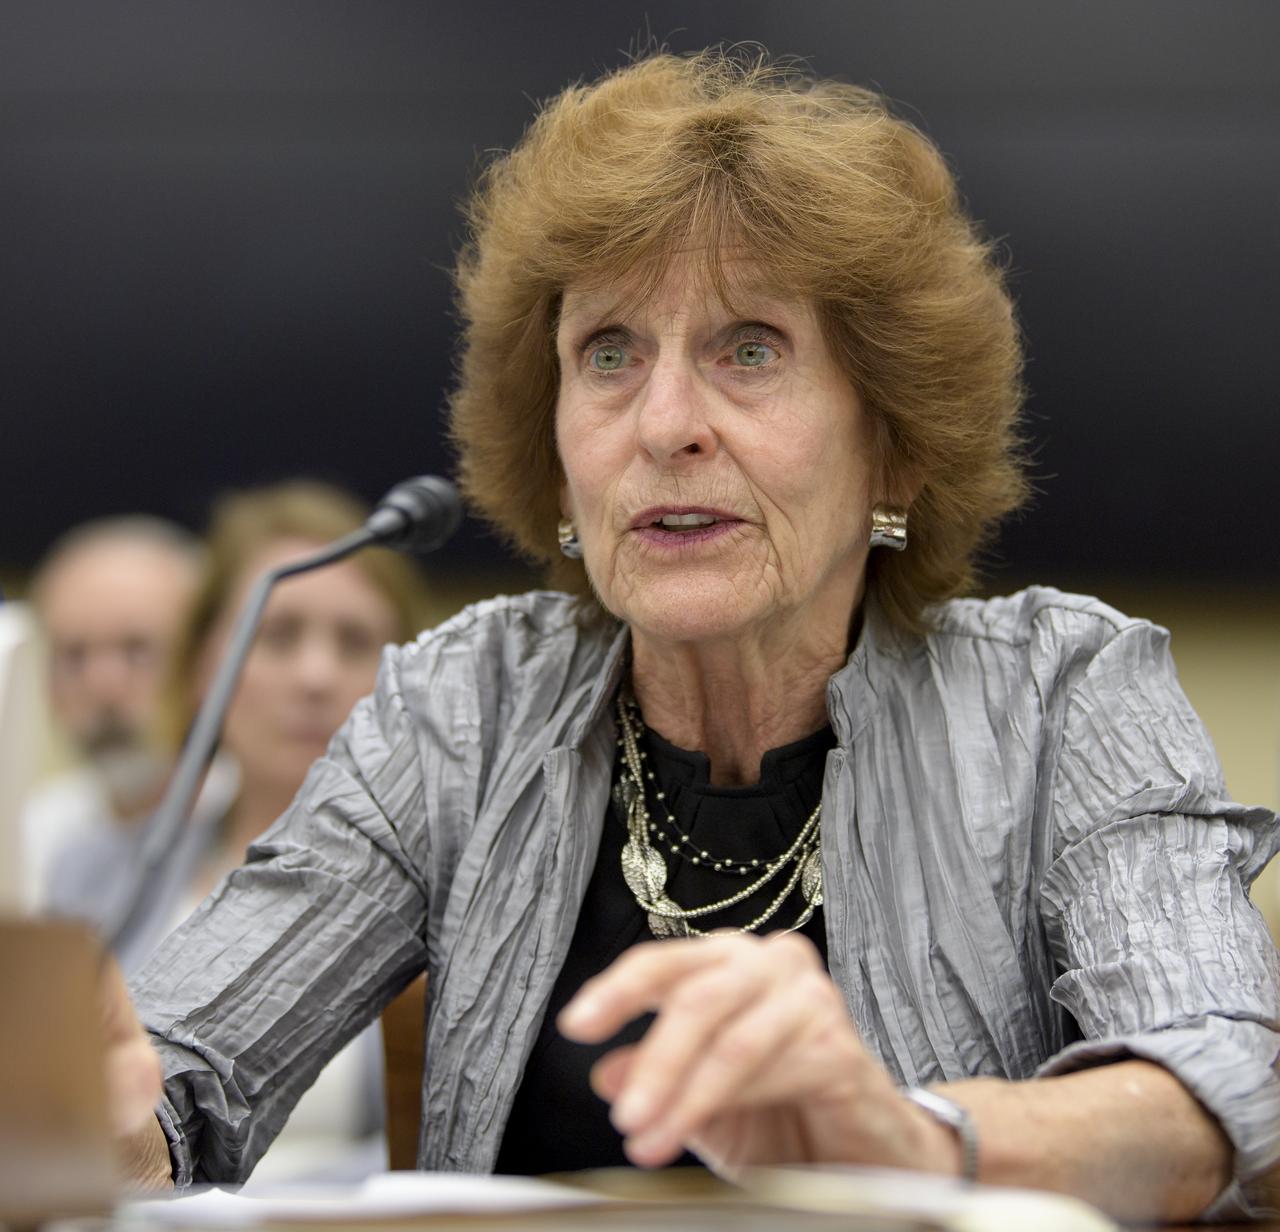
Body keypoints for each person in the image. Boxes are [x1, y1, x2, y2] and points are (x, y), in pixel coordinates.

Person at [106, 51, 1280, 1221]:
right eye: (607, 354)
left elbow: (1223, 1084)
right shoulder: (459, 706)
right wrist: (101, 1111)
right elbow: (179, 1074)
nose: (663, 423)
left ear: (894, 444)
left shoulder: (1062, 695)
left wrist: (913, 1140)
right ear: (556, 447)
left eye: (750, 348)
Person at [94, 480, 429, 1180]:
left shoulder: (454, 892)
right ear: (199, 668)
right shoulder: (94, 866)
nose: (315, 676)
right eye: (278, 636)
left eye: (355, 641)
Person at [20, 517, 203, 907]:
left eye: (137, 649)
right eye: (73, 655)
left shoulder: (256, 828)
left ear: (202, 662)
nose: (102, 686)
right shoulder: (32, 839)